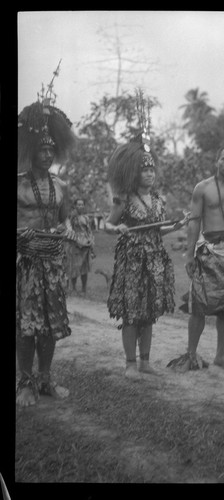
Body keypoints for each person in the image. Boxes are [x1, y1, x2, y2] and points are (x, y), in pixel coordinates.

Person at [104, 90, 187, 380]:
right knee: (132, 312)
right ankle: (129, 364)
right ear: (135, 174)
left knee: (149, 312)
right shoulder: (124, 199)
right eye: (144, 171)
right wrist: (119, 228)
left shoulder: (159, 201)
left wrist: (174, 227)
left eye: (152, 170)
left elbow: (158, 229)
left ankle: (145, 361)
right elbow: (107, 226)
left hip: (154, 260)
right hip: (131, 261)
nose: (150, 175)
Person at [17, 68, 77, 406]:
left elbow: (66, 219)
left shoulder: (62, 185)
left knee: (51, 324)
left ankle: (44, 379)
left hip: (52, 262)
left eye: (52, 148)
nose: (47, 153)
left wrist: (66, 229)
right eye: (41, 148)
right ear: (31, 149)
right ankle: (24, 382)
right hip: (25, 262)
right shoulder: (18, 182)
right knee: (27, 324)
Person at [168, 145, 224, 372]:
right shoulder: (203, 188)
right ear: (217, 161)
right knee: (198, 305)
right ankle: (191, 353)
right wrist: (189, 255)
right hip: (206, 253)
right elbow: (195, 222)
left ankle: (220, 356)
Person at [66, 198, 95, 296]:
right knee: (75, 266)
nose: (80, 206)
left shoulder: (86, 217)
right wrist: (75, 240)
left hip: (85, 244)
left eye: (82, 204)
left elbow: (89, 231)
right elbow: (68, 229)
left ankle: (83, 289)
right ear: (75, 206)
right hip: (75, 243)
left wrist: (91, 240)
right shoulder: (72, 217)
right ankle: (73, 288)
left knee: (84, 268)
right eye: (78, 204)